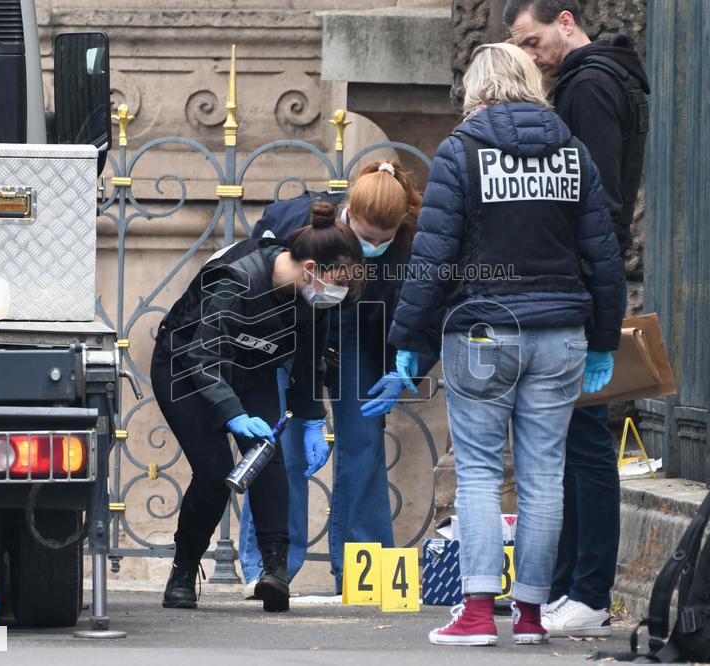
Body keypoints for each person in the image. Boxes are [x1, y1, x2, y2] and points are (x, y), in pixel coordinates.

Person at [384, 42, 624, 646]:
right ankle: (533, 614)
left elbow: (433, 257)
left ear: (477, 90)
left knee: (481, 473)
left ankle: (474, 614)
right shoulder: (572, 153)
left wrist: (410, 338)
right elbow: (603, 257)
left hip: (484, 332)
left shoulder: (460, 153)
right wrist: (601, 341)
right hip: (561, 335)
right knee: (545, 476)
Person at [506, 0, 649, 637]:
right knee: (567, 443)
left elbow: (595, 200)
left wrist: (590, 288)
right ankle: (569, 586)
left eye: (534, 42)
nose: (532, 57)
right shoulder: (596, 79)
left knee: (584, 443)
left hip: (584, 284)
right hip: (589, 279)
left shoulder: (589, 86)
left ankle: (588, 590)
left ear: (565, 20)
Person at [150, 202, 364, 613]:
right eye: (335, 281)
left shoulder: (311, 296)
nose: (336, 293)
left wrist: (311, 420)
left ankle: (274, 572)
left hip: (252, 370)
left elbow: (307, 360)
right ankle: (183, 569)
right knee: (213, 473)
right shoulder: (238, 276)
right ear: (312, 268)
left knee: (268, 458)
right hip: (186, 368)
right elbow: (203, 355)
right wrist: (232, 414)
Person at [239, 161, 433, 595]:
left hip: (360, 337)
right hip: (291, 335)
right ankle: (268, 568)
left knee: (363, 441)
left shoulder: (410, 243)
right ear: (348, 212)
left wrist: (408, 367)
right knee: (280, 445)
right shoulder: (291, 220)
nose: (372, 247)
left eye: (382, 241)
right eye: (364, 237)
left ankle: (364, 573)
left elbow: (427, 307)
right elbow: (255, 283)